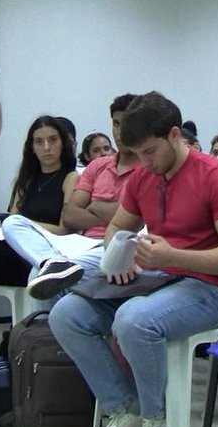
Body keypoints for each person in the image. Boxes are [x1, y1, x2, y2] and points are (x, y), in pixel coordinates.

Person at [48, 92, 218, 427]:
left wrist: (174, 257)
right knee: (66, 314)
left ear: (175, 135)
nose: (144, 162)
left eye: (150, 152)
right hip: (154, 280)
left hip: (206, 289)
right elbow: (117, 228)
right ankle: (123, 410)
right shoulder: (145, 175)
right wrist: (119, 259)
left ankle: (155, 422)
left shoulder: (216, 176)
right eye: (137, 154)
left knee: (133, 321)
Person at [0, 116, 77, 384]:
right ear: (31, 147)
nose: (46, 147)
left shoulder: (71, 178)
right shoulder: (27, 179)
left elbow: (66, 228)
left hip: (43, 259)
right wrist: (18, 226)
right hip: (12, 253)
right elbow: (10, 224)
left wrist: (26, 226)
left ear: (63, 144)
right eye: (39, 142)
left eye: (52, 140)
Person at [12, 94, 141, 299]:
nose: (120, 131)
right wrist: (120, 213)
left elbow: (139, 219)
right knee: (13, 224)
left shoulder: (149, 168)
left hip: (118, 246)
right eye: (116, 124)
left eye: (127, 123)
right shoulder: (98, 166)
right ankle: (50, 262)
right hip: (83, 243)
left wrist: (95, 207)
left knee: (38, 275)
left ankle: (49, 318)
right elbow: (70, 216)